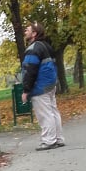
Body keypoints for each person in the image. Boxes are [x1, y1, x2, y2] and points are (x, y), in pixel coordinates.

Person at [21, 21, 65, 151]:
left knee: (45, 114)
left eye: (27, 30)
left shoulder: (33, 49)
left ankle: (49, 141)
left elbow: (29, 71)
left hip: (40, 87)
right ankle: (58, 139)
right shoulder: (47, 46)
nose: (25, 32)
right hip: (50, 84)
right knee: (53, 112)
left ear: (34, 33)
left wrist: (26, 90)